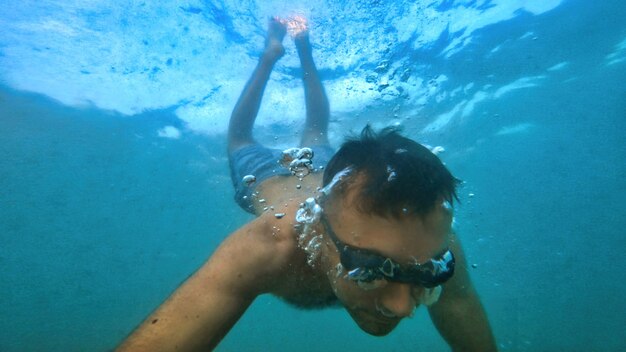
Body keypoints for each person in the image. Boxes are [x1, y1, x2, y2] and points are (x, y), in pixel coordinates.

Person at [118, 16, 497, 351]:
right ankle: (270, 55)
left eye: (427, 275)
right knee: (240, 138)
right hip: (265, 178)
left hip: (326, 169)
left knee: (316, 129)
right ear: (318, 230)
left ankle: (303, 43)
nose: (402, 307)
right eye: (368, 269)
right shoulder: (269, 247)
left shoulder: (430, 241)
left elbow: (459, 303)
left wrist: (420, 269)